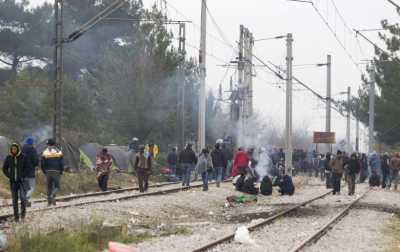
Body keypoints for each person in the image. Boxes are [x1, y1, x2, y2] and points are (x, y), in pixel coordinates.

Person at [2, 143, 32, 221]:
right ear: (11, 150)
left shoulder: (23, 157)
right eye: (12, 149)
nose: (14, 150)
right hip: (13, 182)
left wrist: (23, 176)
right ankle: (16, 218)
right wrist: (10, 176)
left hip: (22, 182)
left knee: (22, 198)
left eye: (15, 149)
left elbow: (28, 168)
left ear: (18, 149)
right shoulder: (9, 158)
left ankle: (23, 215)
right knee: (14, 200)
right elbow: (4, 168)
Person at [41, 139, 64, 206]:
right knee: (57, 186)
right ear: (54, 145)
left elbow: (42, 163)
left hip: (48, 171)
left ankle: (49, 202)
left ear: (48, 145)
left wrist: (44, 171)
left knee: (49, 187)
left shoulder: (45, 152)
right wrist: (61, 171)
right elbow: (61, 163)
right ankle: (53, 195)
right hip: (56, 171)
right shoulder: (59, 152)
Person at [21, 136, 39, 207]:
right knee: (32, 187)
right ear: (32, 143)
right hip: (30, 172)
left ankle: (25, 200)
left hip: (22, 172)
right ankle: (26, 198)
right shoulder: (33, 149)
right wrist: (36, 164)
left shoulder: (21, 149)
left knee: (25, 187)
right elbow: (35, 161)